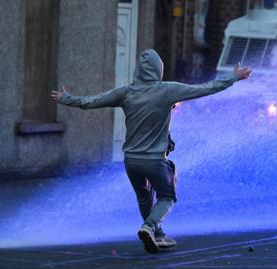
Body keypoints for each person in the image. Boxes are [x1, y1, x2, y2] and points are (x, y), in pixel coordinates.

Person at [51, 49, 252, 253]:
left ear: (138, 71)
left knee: (144, 197)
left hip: (130, 160)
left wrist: (66, 98)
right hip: (155, 160)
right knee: (167, 197)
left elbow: (91, 102)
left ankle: (158, 235)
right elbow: (206, 88)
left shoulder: (126, 92)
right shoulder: (168, 90)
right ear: (159, 70)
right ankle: (149, 227)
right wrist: (232, 77)